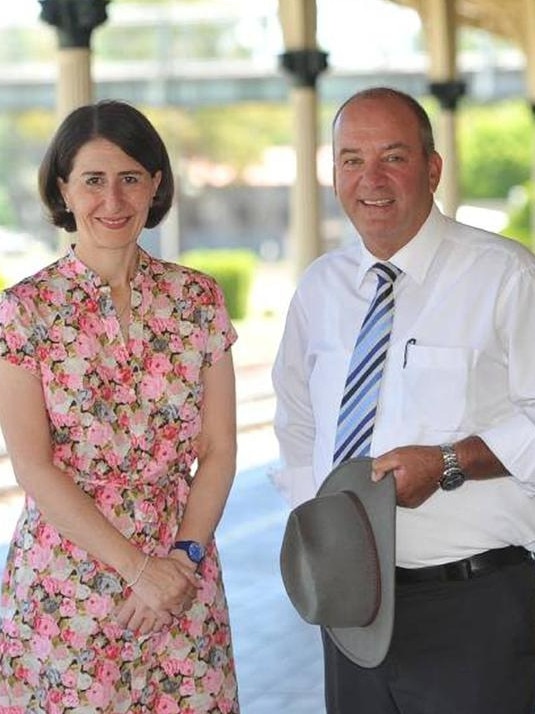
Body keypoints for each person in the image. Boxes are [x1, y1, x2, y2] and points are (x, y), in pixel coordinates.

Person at [271, 86, 535, 714]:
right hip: (356, 613)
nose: (372, 179)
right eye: (351, 159)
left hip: (475, 610)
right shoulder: (319, 287)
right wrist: (329, 536)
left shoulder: (506, 275)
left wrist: (450, 462)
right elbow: (296, 419)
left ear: (432, 167)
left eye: (393, 157)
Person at [0, 99, 240, 713]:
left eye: (131, 177)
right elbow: (33, 466)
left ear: (156, 184)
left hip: (183, 574)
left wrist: (180, 561)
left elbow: (218, 450)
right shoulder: (24, 311)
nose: (114, 199)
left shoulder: (197, 300)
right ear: (63, 188)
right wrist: (140, 570)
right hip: (67, 583)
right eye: (93, 180)